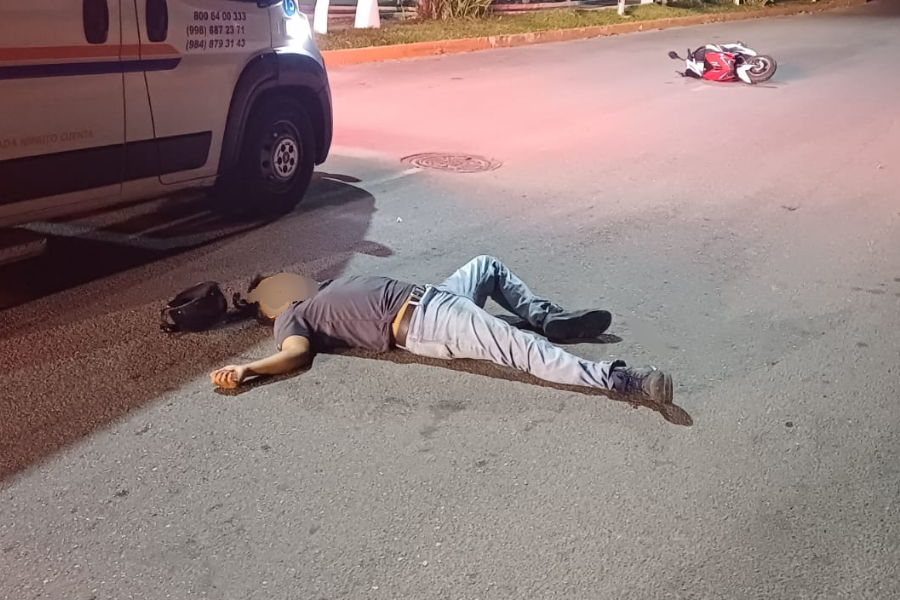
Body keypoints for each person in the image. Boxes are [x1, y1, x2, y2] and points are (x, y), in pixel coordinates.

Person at [210, 256, 673, 404]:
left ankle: (545, 318)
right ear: (271, 306)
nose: (287, 280)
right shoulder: (292, 316)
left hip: (436, 296)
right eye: (275, 286)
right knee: (520, 349)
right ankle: (620, 379)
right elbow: (295, 353)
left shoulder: (322, 288)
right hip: (426, 322)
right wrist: (248, 369)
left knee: (486, 266)